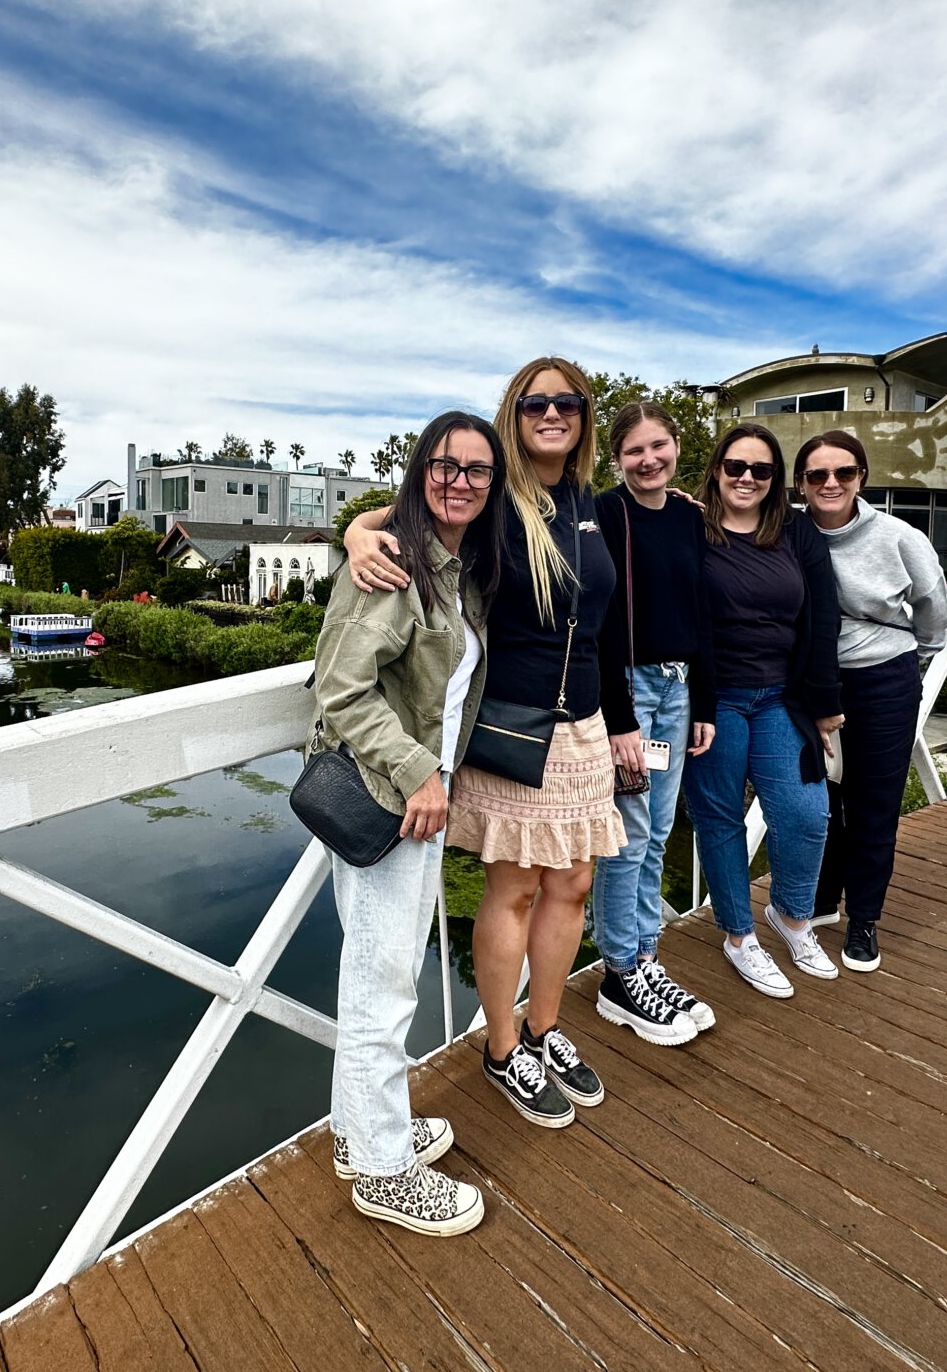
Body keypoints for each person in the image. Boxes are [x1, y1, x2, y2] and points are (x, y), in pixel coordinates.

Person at [346, 357, 621, 1129]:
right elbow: (405, 516)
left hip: (585, 728)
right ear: (515, 412)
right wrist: (355, 531)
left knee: (571, 887)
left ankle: (545, 1028)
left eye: (566, 402)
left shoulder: (590, 502)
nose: (551, 413)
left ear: (583, 416)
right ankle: (502, 1049)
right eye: (535, 403)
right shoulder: (499, 500)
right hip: (511, 726)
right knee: (518, 889)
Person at [309, 409, 505, 1236]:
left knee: (374, 973)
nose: (459, 481)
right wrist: (421, 770)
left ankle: (361, 1132)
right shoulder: (389, 564)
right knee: (383, 986)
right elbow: (340, 690)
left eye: (477, 470)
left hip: (413, 797)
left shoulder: (452, 567)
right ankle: (386, 1172)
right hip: (390, 794)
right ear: (420, 469)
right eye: (444, 465)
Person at [683, 423, 844, 999]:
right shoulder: (691, 529)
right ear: (716, 470)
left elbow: (823, 619)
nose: (747, 478)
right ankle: (737, 934)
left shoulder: (797, 533)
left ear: (777, 479)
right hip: (712, 701)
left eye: (761, 469)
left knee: (805, 810)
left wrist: (825, 707)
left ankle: (792, 917)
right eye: (735, 467)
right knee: (720, 817)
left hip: (783, 697)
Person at [796, 430, 947, 973]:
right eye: (818, 475)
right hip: (815, 681)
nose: (831, 483)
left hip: (884, 677)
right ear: (802, 484)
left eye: (844, 473)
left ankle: (863, 917)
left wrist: (913, 663)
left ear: (862, 477)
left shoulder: (898, 536)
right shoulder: (790, 532)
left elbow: (932, 606)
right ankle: (820, 898)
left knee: (873, 802)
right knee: (819, 794)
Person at [591, 403, 713, 1045]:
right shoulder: (602, 513)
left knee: (659, 830)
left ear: (675, 447)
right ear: (617, 458)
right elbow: (602, 620)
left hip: (679, 687)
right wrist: (618, 718)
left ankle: (644, 954)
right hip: (631, 690)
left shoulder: (692, 518)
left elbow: (705, 615)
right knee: (628, 834)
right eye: (635, 450)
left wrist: (707, 706)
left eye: (658, 446)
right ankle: (618, 970)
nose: (648, 460)